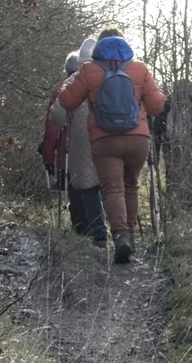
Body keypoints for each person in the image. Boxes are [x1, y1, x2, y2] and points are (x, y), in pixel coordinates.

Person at [56, 28, 167, 263]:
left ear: (98, 47)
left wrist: (68, 84)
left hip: (104, 139)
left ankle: (121, 236)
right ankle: (131, 236)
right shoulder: (140, 69)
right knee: (131, 186)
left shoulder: (88, 70)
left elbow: (67, 101)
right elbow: (157, 106)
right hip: (138, 139)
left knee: (113, 189)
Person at [46, 51, 106, 244]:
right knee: (103, 186)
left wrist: (48, 156)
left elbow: (53, 127)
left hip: (73, 149)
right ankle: (113, 229)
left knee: (81, 189)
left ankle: (86, 232)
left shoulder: (64, 88)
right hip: (105, 142)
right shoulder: (105, 81)